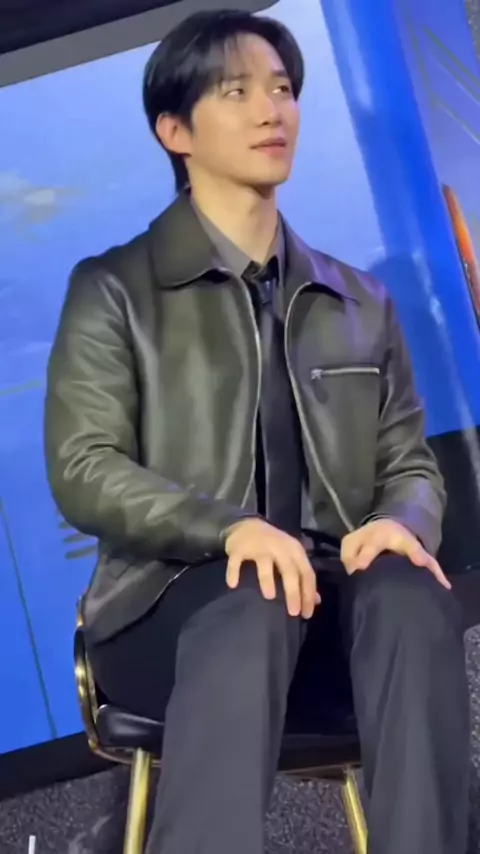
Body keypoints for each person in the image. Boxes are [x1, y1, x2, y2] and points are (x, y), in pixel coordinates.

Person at [44, 9, 470, 854]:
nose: (271, 111)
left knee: (413, 595)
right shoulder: (114, 289)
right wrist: (231, 529)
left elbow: (410, 464)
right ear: (175, 131)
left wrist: (402, 522)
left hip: (333, 608)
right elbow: (83, 467)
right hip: (168, 611)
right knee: (254, 599)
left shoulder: (360, 300)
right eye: (236, 92)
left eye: (281, 89)